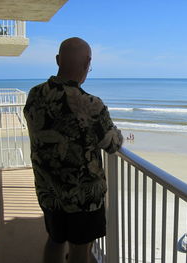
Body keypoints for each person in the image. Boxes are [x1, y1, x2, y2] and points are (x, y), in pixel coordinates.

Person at [23, 37, 123, 263]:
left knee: (55, 240)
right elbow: (112, 144)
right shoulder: (91, 105)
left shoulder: (35, 95)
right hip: (83, 197)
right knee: (80, 250)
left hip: (48, 190)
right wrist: (114, 131)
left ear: (58, 60)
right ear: (87, 63)